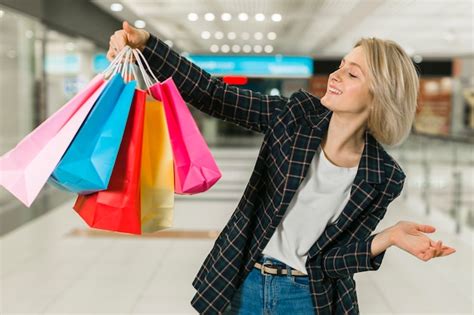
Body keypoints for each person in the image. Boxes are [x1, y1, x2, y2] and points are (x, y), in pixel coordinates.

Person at [108, 21, 456, 314]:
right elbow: (215, 95)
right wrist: (149, 46)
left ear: (380, 94)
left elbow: (331, 263)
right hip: (243, 281)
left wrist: (389, 237)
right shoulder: (295, 117)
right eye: (341, 65)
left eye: (351, 74)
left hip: (308, 298)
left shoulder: (383, 176)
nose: (334, 76)